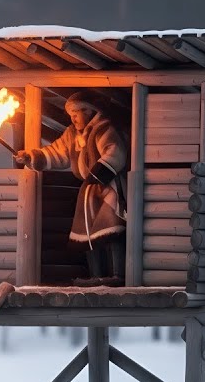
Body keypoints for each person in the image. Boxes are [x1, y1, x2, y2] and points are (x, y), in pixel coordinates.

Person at [15, 91, 129, 286]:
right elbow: (56, 153)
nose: (73, 117)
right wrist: (32, 158)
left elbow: (114, 152)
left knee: (110, 228)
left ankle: (117, 275)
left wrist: (97, 175)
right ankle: (95, 276)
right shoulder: (71, 134)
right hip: (88, 191)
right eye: (71, 114)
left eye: (77, 112)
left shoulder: (103, 129)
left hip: (107, 186)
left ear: (90, 111)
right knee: (86, 234)